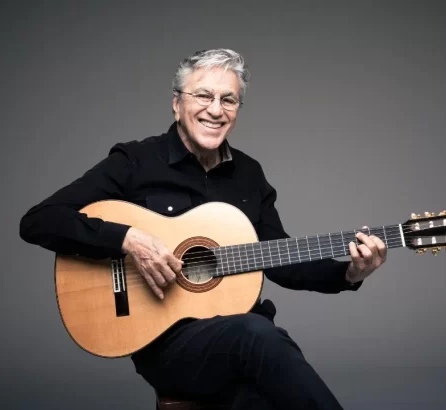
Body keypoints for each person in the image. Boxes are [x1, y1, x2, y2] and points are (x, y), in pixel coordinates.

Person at [19, 48, 387, 410]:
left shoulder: (249, 174)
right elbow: (40, 220)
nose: (216, 109)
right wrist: (127, 239)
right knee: (258, 334)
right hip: (171, 345)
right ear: (177, 103)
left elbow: (281, 259)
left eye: (229, 100)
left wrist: (350, 272)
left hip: (245, 347)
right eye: (203, 95)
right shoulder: (135, 161)